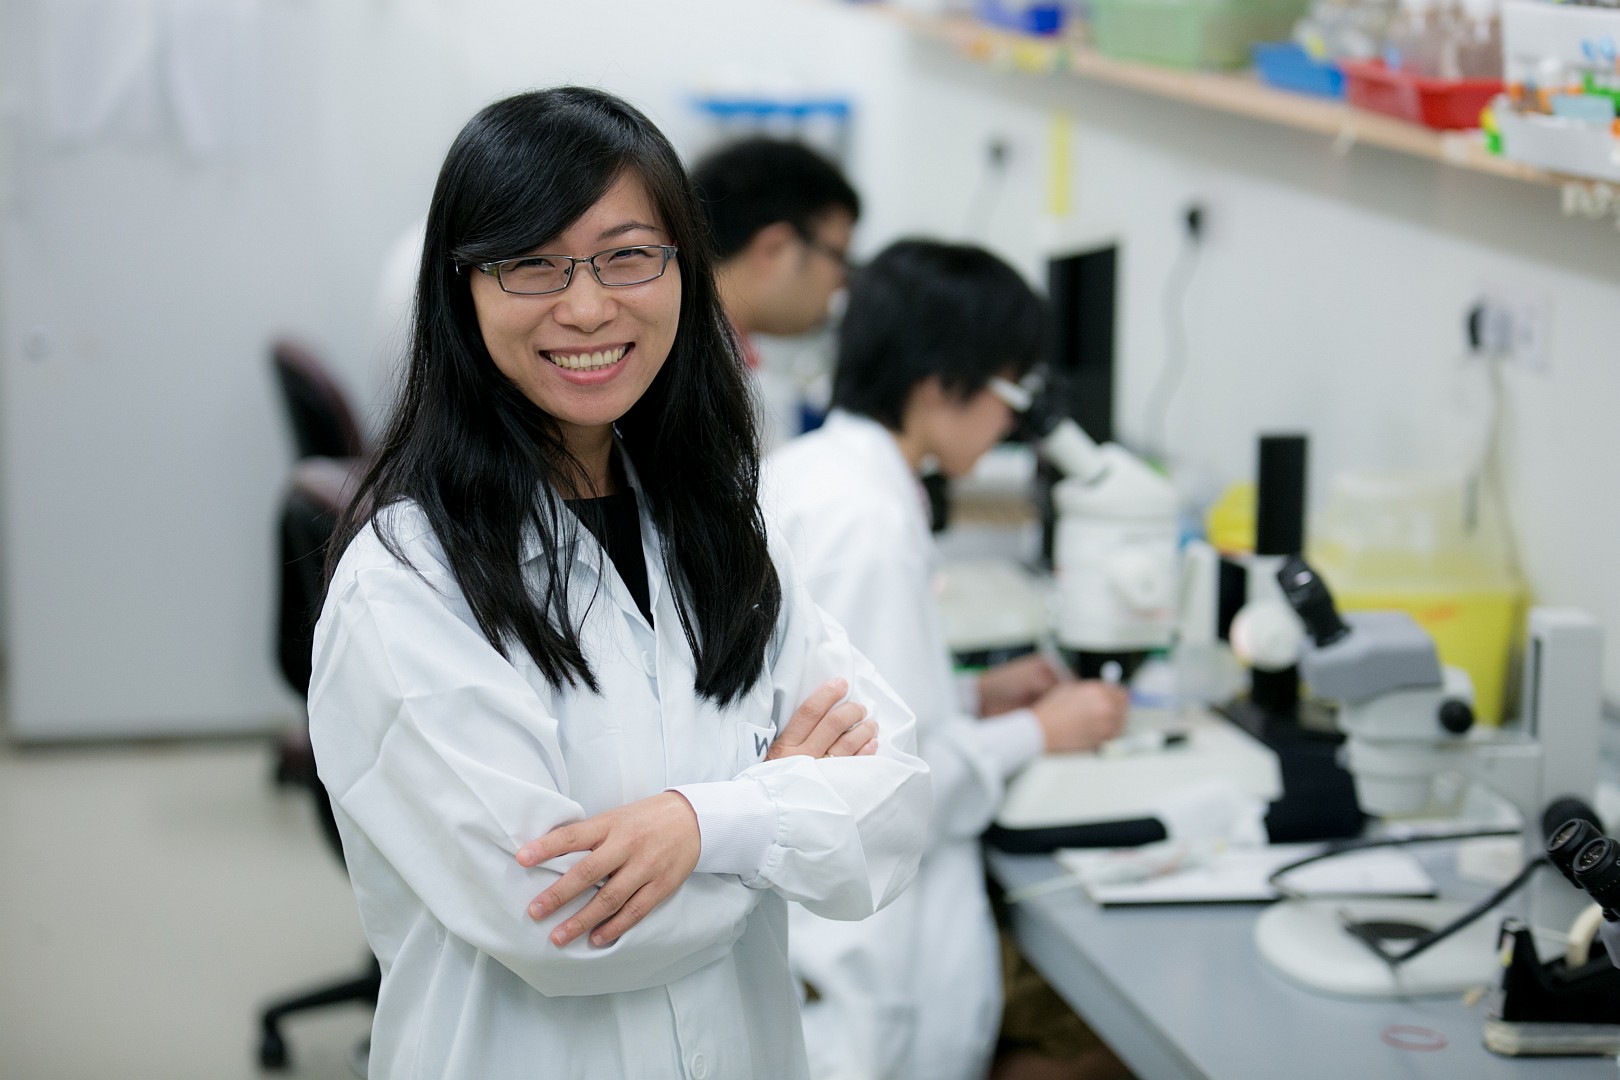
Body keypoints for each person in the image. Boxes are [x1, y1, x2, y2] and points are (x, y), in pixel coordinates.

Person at [308, 87, 931, 1080]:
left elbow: (895, 804)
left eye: (628, 256)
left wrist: (700, 825)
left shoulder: (715, 528)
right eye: (532, 264)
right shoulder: (409, 583)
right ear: (461, 288)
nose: (588, 305)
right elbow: (562, 924)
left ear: (685, 269)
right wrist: (779, 814)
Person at [765, 240, 1131, 1080]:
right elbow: (899, 786)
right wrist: (1044, 730)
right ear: (940, 386)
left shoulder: (813, 471)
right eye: (1010, 393)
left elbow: (846, 707)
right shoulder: (870, 524)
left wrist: (972, 695)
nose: (1010, 424)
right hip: (868, 971)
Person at [690, 136, 859, 368]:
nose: (842, 281)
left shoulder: (711, 351)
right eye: (838, 256)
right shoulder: (696, 365)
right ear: (774, 247)